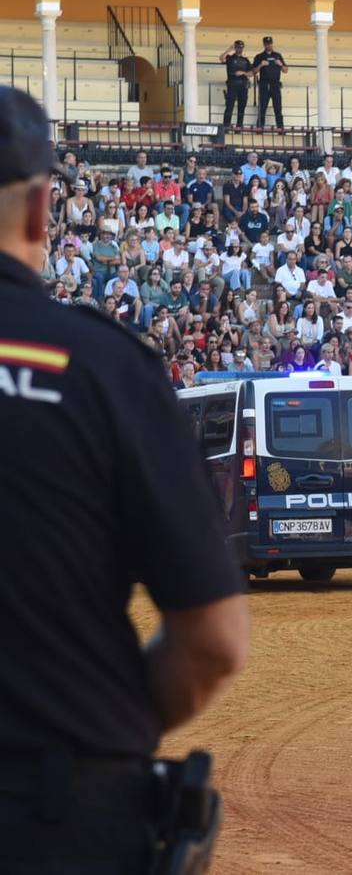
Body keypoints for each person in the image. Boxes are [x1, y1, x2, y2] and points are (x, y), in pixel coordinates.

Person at [0, 87, 249, 871]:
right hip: (53, 810)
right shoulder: (105, 366)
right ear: (41, 211)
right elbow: (212, 644)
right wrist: (101, 724)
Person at [252, 35, 288, 128]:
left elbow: (285, 70)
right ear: (264, 44)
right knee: (262, 107)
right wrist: (261, 65)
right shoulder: (259, 56)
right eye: (267, 44)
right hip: (264, 84)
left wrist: (280, 64)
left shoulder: (277, 55)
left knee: (278, 108)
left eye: (270, 43)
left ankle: (280, 128)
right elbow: (254, 71)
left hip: (275, 84)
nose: (269, 45)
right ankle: (259, 127)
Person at [219, 38, 252, 129]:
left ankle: (239, 128)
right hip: (232, 85)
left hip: (243, 86)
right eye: (237, 47)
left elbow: (251, 73)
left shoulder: (245, 60)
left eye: (241, 47)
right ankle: (225, 127)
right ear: (235, 47)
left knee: (241, 108)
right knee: (229, 106)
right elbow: (221, 58)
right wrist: (229, 50)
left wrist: (243, 73)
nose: (239, 49)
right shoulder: (230, 58)